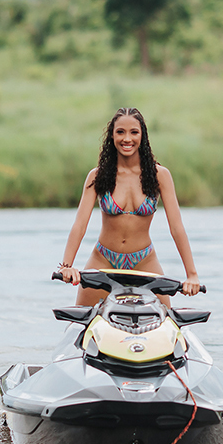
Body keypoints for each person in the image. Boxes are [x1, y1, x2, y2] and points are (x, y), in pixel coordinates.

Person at [58, 107, 201, 306]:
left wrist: (192, 275)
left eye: (134, 132)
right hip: (103, 260)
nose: (127, 139)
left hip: (144, 261)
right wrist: (66, 266)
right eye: (120, 132)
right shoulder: (97, 176)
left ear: (143, 136)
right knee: (79, 320)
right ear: (112, 136)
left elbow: (177, 228)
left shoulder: (160, 176)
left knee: (167, 319)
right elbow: (79, 225)